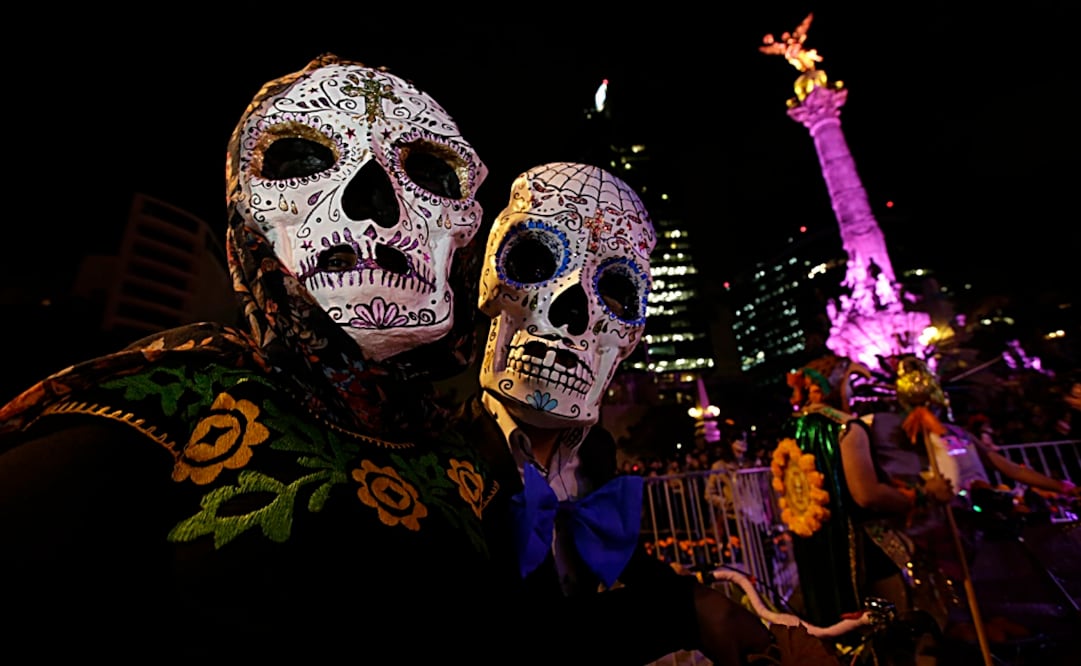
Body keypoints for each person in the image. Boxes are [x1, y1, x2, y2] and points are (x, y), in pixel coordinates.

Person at [0, 54, 504, 661]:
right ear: (246, 211)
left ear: (467, 227)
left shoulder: (454, 456)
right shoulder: (163, 409)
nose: (377, 203)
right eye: (302, 161)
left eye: (430, 175)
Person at [453, 161, 821, 665]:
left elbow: (613, 556)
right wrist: (685, 611)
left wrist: (702, 600)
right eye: (535, 261)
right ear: (491, 279)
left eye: (616, 291)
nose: (572, 313)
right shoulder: (450, 455)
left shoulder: (595, 453)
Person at [774, 353, 955, 665]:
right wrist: (925, 495)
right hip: (862, 556)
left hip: (816, 560)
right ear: (831, 386)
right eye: (852, 383)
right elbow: (867, 495)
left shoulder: (790, 430)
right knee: (895, 642)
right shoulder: (846, 427)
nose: (856, 394)